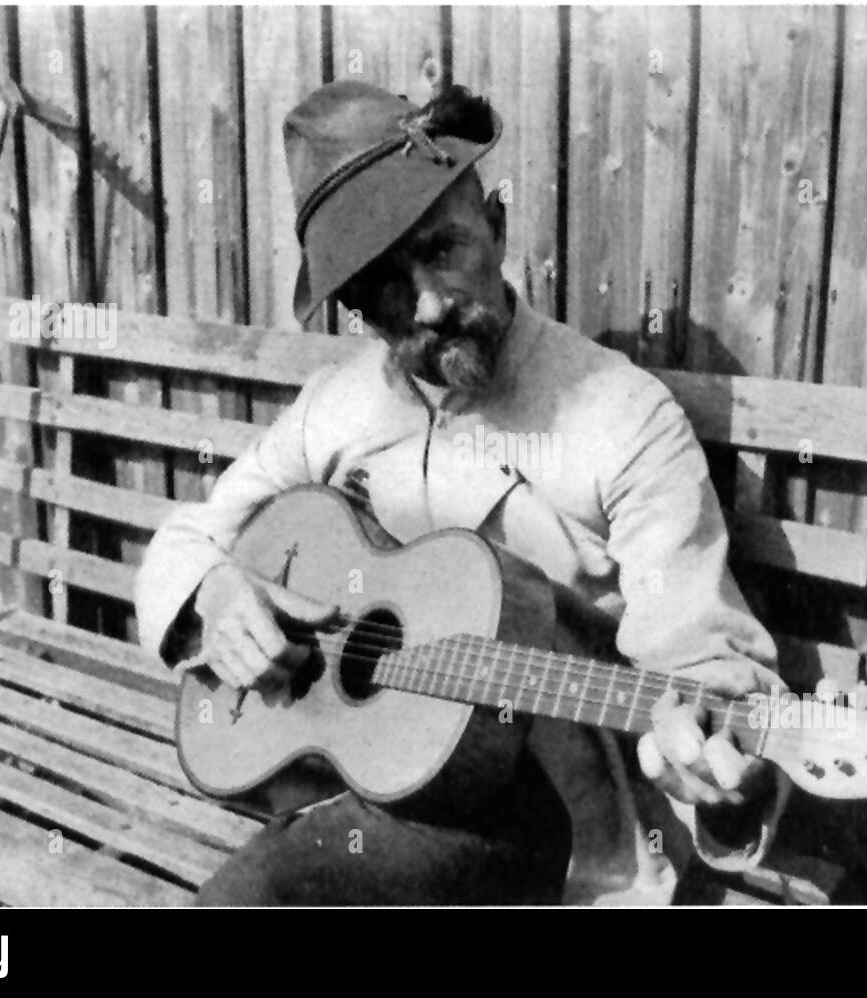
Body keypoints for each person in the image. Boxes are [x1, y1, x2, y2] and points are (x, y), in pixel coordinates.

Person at [134, 80, 789, 906]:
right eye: (386, 286)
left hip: (549, 836)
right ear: (358, 308)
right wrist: (221, 589)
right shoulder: (336, 409)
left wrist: (710, 758)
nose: (433, 305)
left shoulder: (619, 417)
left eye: (445, 250)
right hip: (354, 793)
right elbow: (193, 535)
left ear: (499, 229)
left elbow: (703, 659)